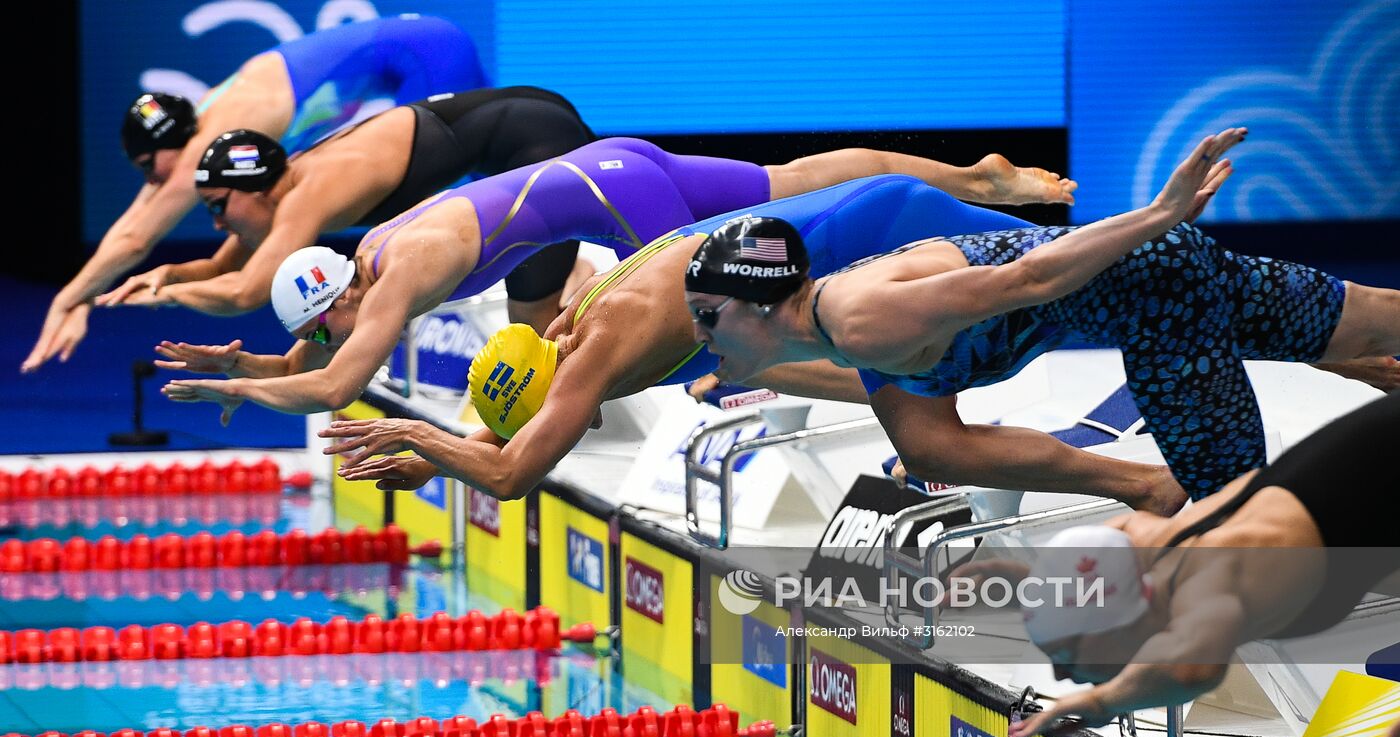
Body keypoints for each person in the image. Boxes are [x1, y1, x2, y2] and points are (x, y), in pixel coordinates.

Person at [309, 174, 1198, 513]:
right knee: (931, 435)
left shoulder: (599, 348)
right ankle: (1152, 485)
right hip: (834, 255)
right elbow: (517, 439)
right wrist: (446, 455)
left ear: (560, 380)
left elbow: (513, 471)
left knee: (1089, 284)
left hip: (881, 233)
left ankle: (1175, 247)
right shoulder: (571, 344)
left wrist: (427, 443)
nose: (561, 420)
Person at [681, 128, 1400, 500]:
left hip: (1159, 295)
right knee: (1377, 318)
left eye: (706, 317)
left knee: (1235, 507)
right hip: (1153, 276)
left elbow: (1028, 275)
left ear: (759, 304)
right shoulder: (830, 326)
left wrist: (1155, 214)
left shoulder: (866, 319)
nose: (695, 335)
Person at [22, 15, 485, 373]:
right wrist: (84, 294)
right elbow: (136, 219)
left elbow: (136, 239)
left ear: (169, 145)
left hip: (429, 56)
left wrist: (69, 299)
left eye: (148, 167)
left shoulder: (208, 139)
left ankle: (414, 352)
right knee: (453, 189)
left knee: (426, 219)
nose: (151, 182)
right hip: (427, 46)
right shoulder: (203, 118)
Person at [941, 392, 1400, 737]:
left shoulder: (1219, 581)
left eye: (1069, 658)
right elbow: (1095, 568)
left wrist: (1102, 701)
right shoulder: (1146, 545)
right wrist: (1023, 577)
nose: (1063, 678)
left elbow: (1189, 672)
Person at [95, 87, 594, 324]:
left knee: (529, 320)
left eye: (219, 205)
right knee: (538, 284)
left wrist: (170, 297)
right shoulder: (282, 185)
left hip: (538, 140)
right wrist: (167, 276)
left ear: (256, 190)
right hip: (520, 128)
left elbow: (247, 292)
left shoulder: (307, 197)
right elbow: (221, 266)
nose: (218, 222)